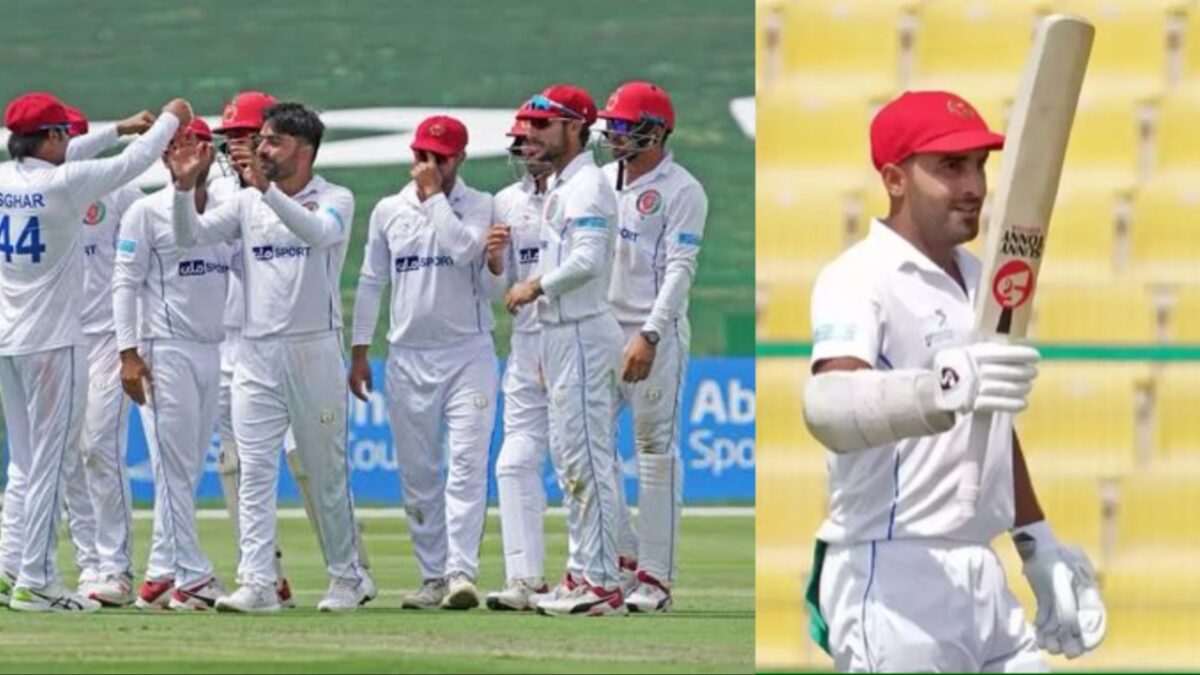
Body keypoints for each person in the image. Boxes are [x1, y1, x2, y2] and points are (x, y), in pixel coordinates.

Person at [802, 90, 1106, 671]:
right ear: (895, 178)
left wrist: (1037, 544)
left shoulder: (983, 280)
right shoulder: (858, 277)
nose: (974, 187)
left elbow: (992, 426)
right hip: (890, 574)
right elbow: (830, 409)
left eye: (979, 165)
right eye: (950, 167)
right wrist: (941, 385)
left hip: (981, 572)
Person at [167, 101, 374, 612]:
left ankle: (349, 577)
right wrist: (182, 189)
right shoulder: (244, 203)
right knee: (254, 467)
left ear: (303, 150)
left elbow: (319, 234)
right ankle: (258, 581)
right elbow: (187, 236)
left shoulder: (336, 198)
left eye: (272, 141)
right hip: (257, 351)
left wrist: (267, 191)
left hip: (314, 349)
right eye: (260, 140)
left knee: (325, 471)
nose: (260, 149)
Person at [0, 91, 192, 612]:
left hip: (8, 345)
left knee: (25, 461)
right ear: (55, 137)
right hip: (54, 343)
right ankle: (36, 581)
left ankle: (11, 564)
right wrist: (171, 117)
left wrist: (117, 125)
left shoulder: (5, 178)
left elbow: (83, 156)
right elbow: (135, 162)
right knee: (52, 463)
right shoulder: (64, 185)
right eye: (66, 133)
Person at [349, 115, 496, 611]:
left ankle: (460, 573)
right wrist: (360, 350)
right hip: (409, 356)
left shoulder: (480, 205)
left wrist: (434, 198)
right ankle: (433, 577)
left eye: (440, 158)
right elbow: (372, 281)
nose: (427, 166)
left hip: (468, 353)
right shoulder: (389, 210)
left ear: (460, 159)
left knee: (467, 467)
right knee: (419, 474)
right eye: (421, 156)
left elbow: (461, 251)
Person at [506, 85, 625, 616]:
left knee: (587, 460)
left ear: (576, 127)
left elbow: (589, 261)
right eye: (529, 125)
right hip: (558, 335)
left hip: (580, 329)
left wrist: (535, 287)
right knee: (570, 458)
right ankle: (582, 571)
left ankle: (600, 583)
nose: (530, 134)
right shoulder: (563, 186)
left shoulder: (589, 187)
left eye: (543, 125)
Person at [598, 81, 708, 613]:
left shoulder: (683, 190)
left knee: (654, 453)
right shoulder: (597, 182)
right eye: (612, 124)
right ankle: (623, 561)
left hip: (650, 333)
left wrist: (650, 333)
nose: (614, 134)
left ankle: (656, 581)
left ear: (656, 132)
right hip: (596, 331)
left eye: (624, 125)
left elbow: (679, 272)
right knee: (585, 447)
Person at [113, 117, 231, 610]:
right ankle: (194, 575)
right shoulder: (143, 212)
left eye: (198, 145)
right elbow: (124, 283)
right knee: (175, 470)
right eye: (179, 147)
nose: (189, 154)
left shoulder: (230, 209)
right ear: (164, 156)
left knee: (183, 468)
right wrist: (128, 354)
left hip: (212, 349)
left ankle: (161, 573)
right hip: (164, 350)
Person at [484, 113, 555, 611]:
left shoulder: (589, 191)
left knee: (587, 465)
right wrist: (493, 264)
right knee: (512, 463)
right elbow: (500, 291)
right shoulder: (506, 202)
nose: (525, 149)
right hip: (526, 346)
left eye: (533, 140)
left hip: (577, 341)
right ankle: (524, 580)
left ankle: (625, 564)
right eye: (520, 142)